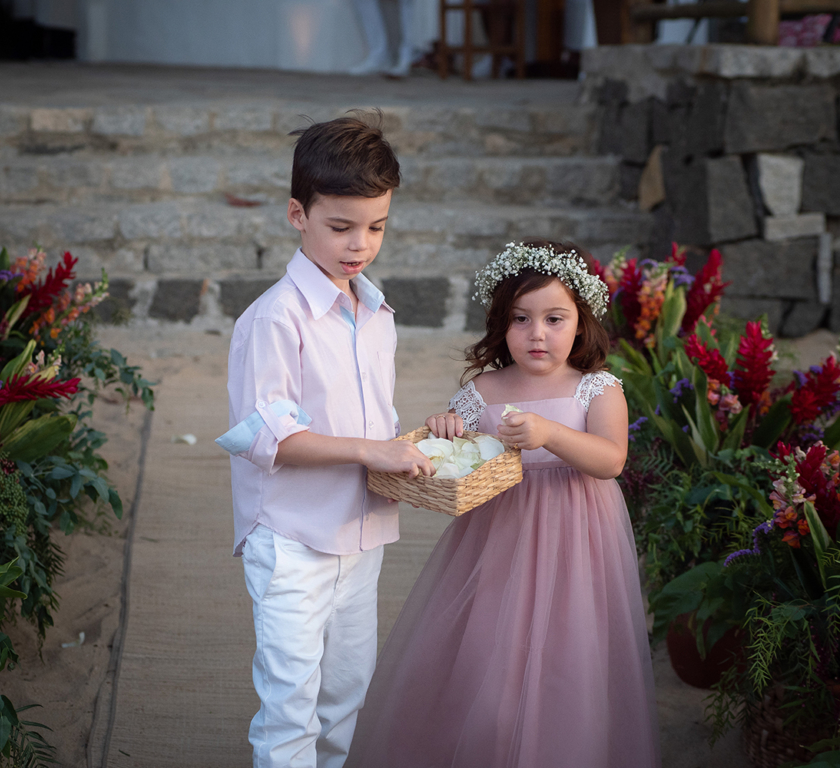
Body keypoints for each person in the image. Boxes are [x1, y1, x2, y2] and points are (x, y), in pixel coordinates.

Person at [346, 240, 661, 768]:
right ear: (501, 324)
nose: (537, 334)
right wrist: (446, 427)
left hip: (577, 547)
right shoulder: (485, 390)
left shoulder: (597, 389)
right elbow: (455, 446)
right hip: (498, 544)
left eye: (554, 319)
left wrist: (548, 432)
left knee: (568, 667)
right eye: (521, 319)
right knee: (489, 670)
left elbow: (610, 460)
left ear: (581, 323)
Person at [215, 114, 436, 768]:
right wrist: (374, 452)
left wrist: (408, 446)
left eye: (377, 226)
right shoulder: (274, 320)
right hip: (291, 540)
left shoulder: (375, 311)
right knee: (291, 702)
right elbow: (270, 439)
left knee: (346, 693)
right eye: (340, 226)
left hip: (361, 533)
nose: (359, 244)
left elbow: (375, 420)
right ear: (296, 214)